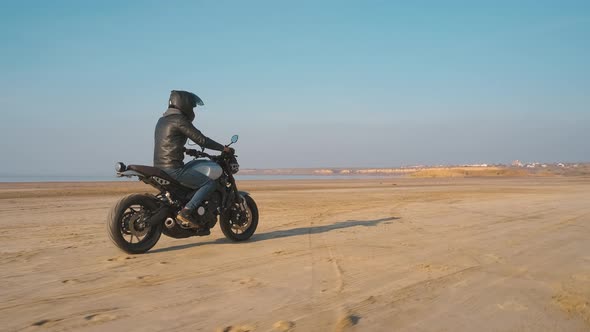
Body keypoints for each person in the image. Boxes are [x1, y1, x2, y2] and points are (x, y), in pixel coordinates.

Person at [153, 90, 231, 233]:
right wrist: (223, 148)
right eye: (192, 107)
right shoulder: (179, 120)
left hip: (159, 167)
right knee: (209, 182)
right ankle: (186, 212)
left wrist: (186, 151)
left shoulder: (162, 120)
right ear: (184, 104)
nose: (193, 110)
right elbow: (202, 140)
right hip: (173, 169)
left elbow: (168, 142)